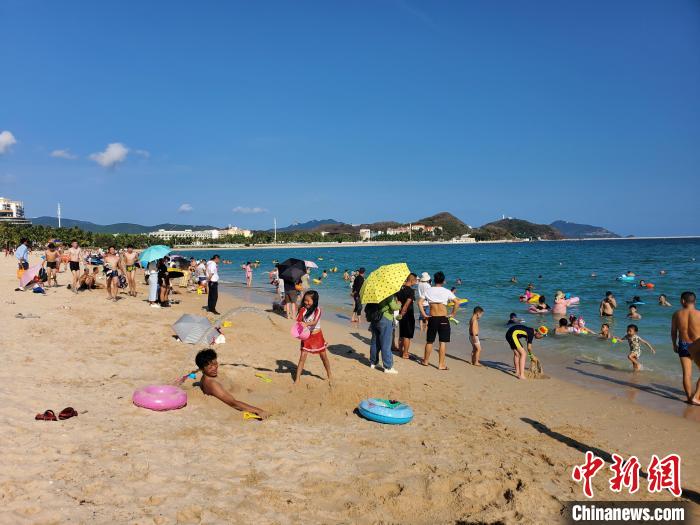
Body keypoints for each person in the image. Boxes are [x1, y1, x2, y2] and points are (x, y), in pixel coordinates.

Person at [191, 349, 268, 418]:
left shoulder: (210, 375)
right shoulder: (212, 384)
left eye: (215, 364)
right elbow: (233, 403)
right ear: (201, 369)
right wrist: (259, 411)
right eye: (210, 367)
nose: (214, 368)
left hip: (245, 394)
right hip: (242, 402)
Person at [418, 271, 458, 370]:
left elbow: (419, 303)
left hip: (432, 318)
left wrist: (424, 314)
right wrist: (453, 314)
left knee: (429, 341)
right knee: (442, 342)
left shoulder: (429, 290)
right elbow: (457, 302)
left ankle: (425, 361)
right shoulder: (446, 291)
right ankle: (441, 364)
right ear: (443, 281)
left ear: (434, 280)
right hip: (443, 318)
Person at [294, 291, 332, 385]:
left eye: (308, 301)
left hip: (317, 336)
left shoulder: (317, 310)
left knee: (323, 357)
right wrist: (299, 322)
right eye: (305, 300)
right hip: (306, 336)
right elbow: (298, 321)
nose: (306, 302)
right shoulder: (303, 309)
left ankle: (329, 375)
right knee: (302, 357)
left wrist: (306, 324)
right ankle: (297, 379)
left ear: (314, 301)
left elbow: (314, 322)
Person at [671, 292, 700, 403]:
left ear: (683, 301)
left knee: (687, 374)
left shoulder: (677, 314)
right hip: (697, 344)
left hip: (683, 344)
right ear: (695, 301)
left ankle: (689, 398)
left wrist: (674, 344)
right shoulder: (699, 314)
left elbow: (673, 332)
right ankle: (696, 396)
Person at [368, 293, 400, 374]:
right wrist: (399, 304)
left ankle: (373, 362)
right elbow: (393, 307)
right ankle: (387, 367)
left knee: (375, 342)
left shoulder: (374, 293)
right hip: (385, 318)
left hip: (375, 318)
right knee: (386, 343)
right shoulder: (388, 293)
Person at [396, 273, 417, 359]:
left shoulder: (400, 289)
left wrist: (400, 314)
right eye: (415, 280)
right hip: (408, 314)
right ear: (412, 280)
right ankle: (405, 353)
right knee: (407, 335)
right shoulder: (411, 291)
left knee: (402, 334)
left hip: (401, 313)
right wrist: (402, 313)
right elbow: (406, 304)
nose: (416, 282)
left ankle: (400, 352)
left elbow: (398, 302)